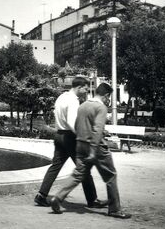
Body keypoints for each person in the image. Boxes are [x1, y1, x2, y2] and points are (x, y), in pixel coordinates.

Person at [49, 83, 131, 219]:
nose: (108, 100)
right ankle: (115, 209)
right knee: (110, 175)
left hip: (80, 144)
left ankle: (57, 198)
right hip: (95, 146)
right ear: (106, 95)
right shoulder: (101, 107)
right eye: (108, 97)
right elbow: (97, 130)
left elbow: (77, 125)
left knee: (78, 174)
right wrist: (93, 150)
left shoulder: (83, 105)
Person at [34, 76, 104, 209]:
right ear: (79, 87)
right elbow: (72, 123)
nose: (86, 91)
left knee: (55, 166)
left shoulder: (61, 97)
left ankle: (41, 195)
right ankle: (92, 200)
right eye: (85, 89)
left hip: (59, 134)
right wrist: (82, 136)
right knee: (83, 167)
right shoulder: (73, 101)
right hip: (70, 137)